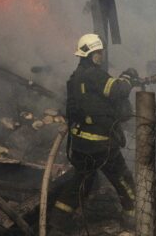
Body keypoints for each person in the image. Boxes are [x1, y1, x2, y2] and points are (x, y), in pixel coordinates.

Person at [50, 33, 142, 234]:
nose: (100, 56)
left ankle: (57, 223)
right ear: (89, 54)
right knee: (123, 180)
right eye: (97, 53)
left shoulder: (74, 78)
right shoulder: (94, 74)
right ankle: (134, 221)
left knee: (80, 183)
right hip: (101, 145)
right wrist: (128, 78)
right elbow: (117, 90)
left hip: (81, 145)